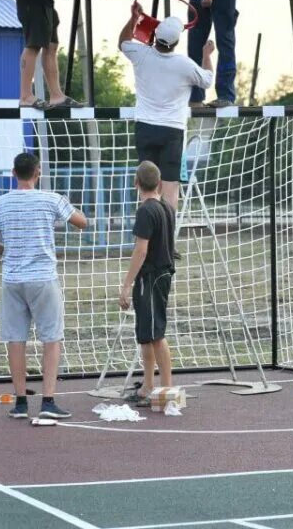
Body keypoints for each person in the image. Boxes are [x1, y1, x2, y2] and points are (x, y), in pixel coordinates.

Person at [0, 151, 89, 419]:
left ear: (13, 173)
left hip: (12, 279)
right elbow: (82, 222)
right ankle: (48, 400)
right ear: (38, 172)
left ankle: (20, 402)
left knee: (15, 340)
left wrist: (14, 247)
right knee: (51, 338)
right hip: (43, 277)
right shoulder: (51, 199)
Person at [118, 1, 214, 211]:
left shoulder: (141, 54)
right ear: (177, 41)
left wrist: (134, 19)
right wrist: (206, 56)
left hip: (145, 127)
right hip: (172, 131)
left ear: (156, 33)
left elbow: (123, 42)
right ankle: (167, 240)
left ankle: (148, 235)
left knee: (147, 187)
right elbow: (207, 80)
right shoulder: (184, 64)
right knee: (170, 190)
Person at [118, 160, 177, 406]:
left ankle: (166, 389)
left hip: (151, 277)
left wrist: (126, 285)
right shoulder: (167, 208)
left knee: (156, 334)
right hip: (161, 274)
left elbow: (140, 251)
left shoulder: (146, 210)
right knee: (146, 334)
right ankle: (147, 386)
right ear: (160, 183)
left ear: (136, 183)